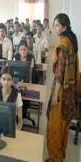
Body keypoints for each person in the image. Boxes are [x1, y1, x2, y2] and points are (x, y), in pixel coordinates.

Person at [46, 13, 80, 162]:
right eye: (54, 25)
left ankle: (55, 158)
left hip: (61, 91)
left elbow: (60, 73)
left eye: (57, 26)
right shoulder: (71, 41)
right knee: (64, 126)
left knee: (55, 126)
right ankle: (61, 154)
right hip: (70, 91)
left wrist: (54, 95)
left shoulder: (63, 44)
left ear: (64, 27)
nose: (55, 28)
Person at [0, 66, 23, 130]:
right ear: (0, 79)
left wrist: (18, 132)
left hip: (12, 127)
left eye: (9, 79)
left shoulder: (17, 95)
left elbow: (20, 121)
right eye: (4, 79)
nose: (6, 82)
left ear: (12, 80)